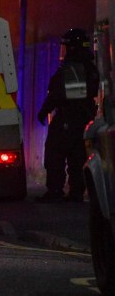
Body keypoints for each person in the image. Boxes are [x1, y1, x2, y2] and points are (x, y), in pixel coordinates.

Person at [36, 27, 100, 202]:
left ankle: (56, 190)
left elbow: (65, 95)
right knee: (77, 156)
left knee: (55, 153)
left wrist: (45, 110)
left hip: (69, 119)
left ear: (73, 47)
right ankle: (76, 192)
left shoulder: (74, 68)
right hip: (81, 119)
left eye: (66, 46)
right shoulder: (89, 67)